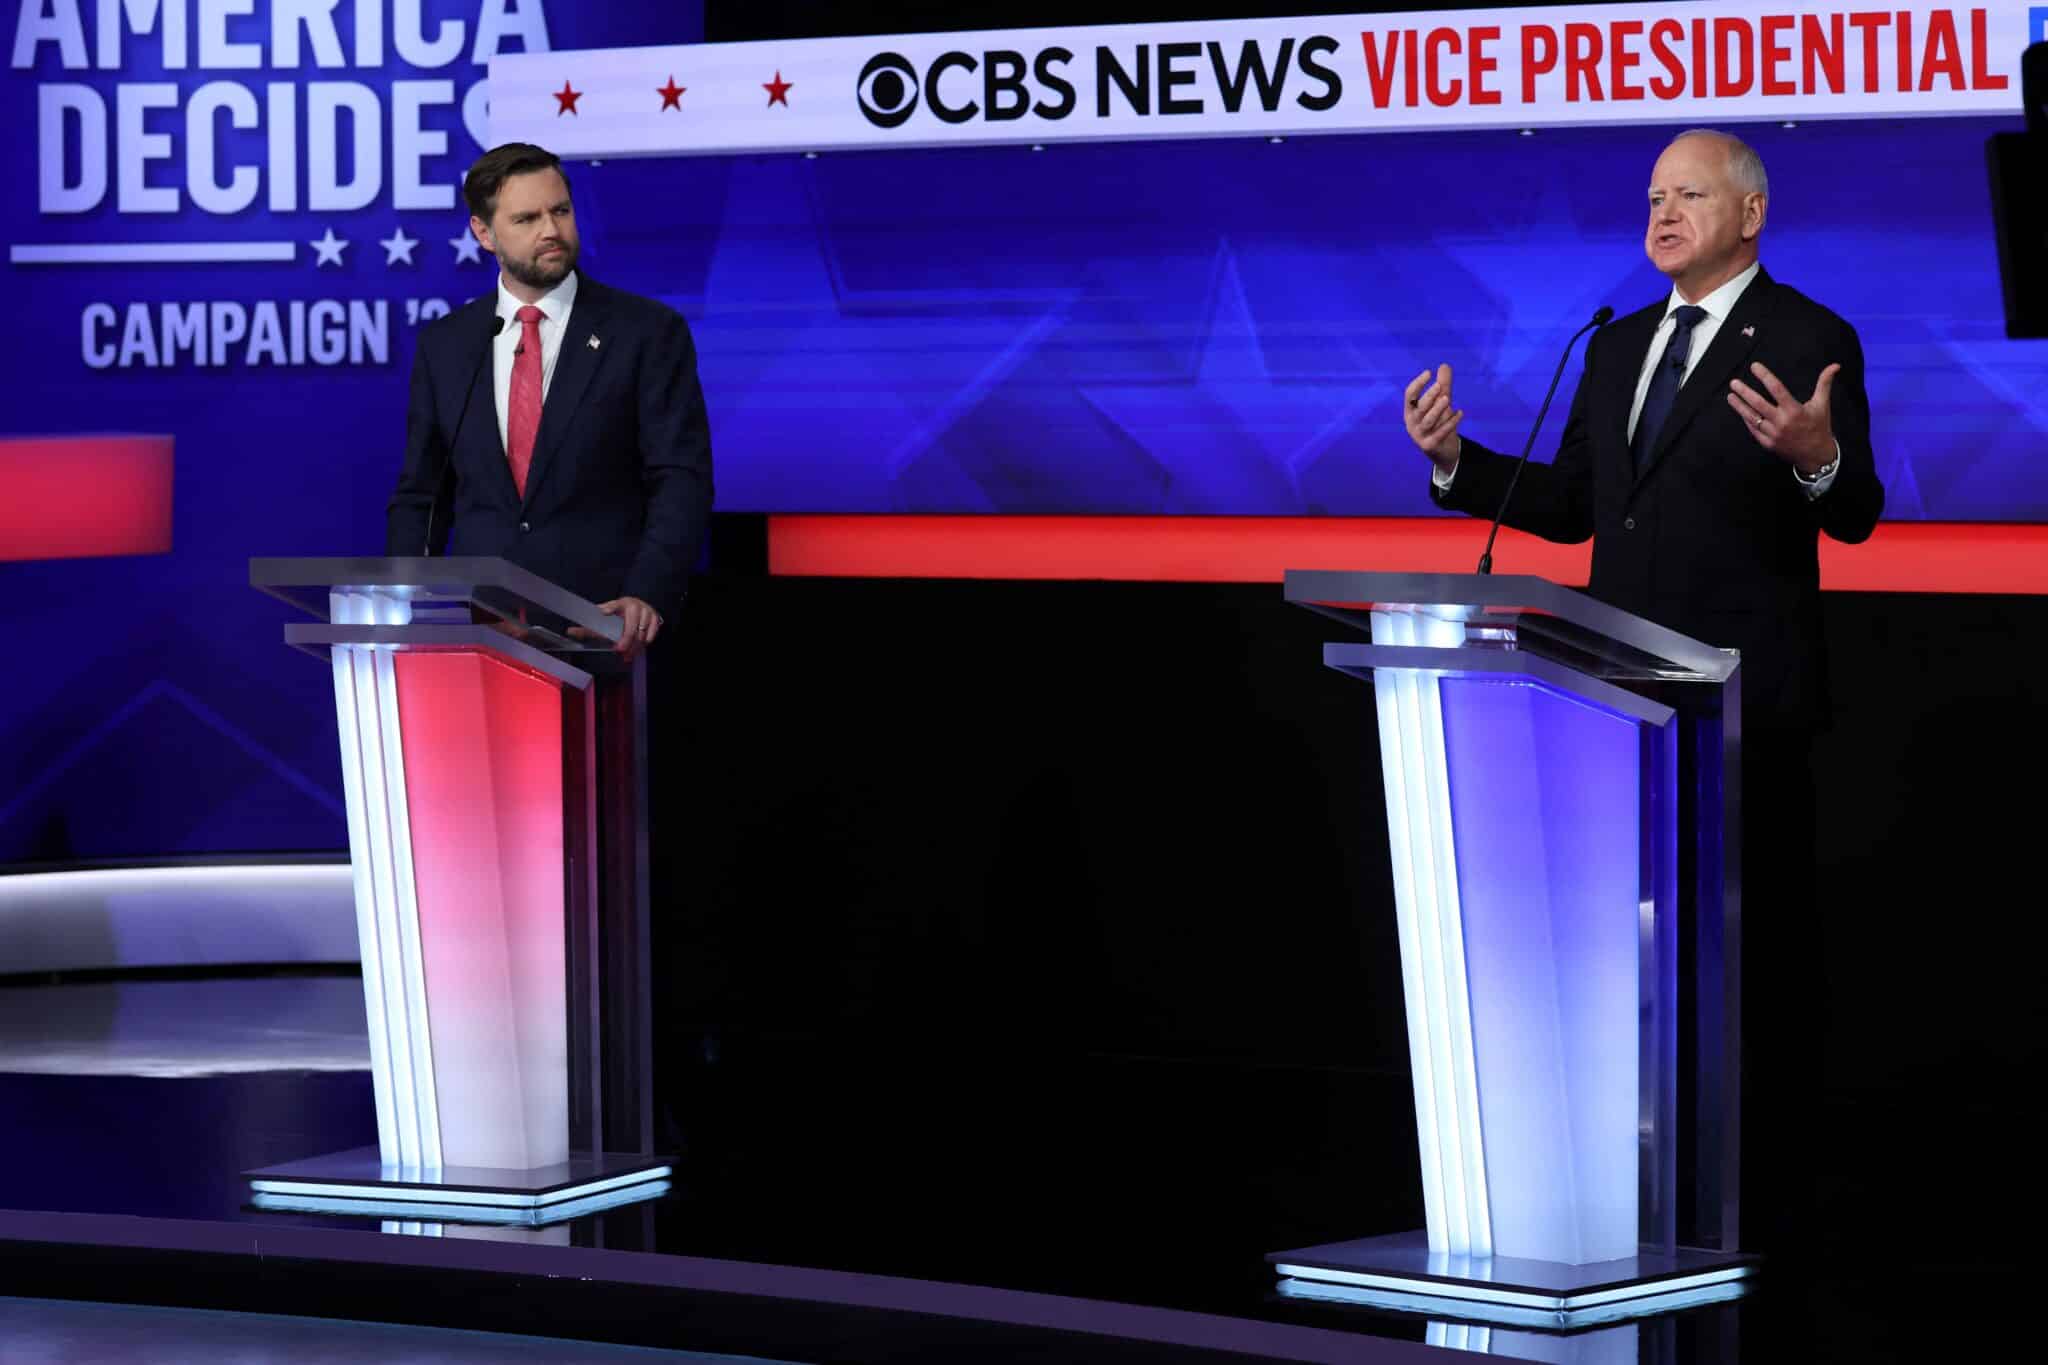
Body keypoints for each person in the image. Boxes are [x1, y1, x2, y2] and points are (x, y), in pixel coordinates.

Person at [1403, 129, 1885, 1262]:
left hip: (1739, 712)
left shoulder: (1810, 337)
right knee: (1635, 958)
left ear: (1749, 212)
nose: (1660, 215)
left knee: (1749, 967)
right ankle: (1639, 1186)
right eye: (1652, 196)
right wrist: (1454, 463)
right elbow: (1576, 506)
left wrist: (1814, 456)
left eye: (1687, 195)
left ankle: (1765, 1208)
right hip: (1611, 706)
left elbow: (1851, 511)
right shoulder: (1615, 346)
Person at [386, 142, 714, 657]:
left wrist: (647, 593)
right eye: (527, 218)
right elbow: (422, 494)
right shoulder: (446, 346)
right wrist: (401, 603)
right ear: (483, 233)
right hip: (484, 640)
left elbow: (681, 480)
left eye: (560, 211)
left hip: (607, 631)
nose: (551, 231)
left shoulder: (646, 333)